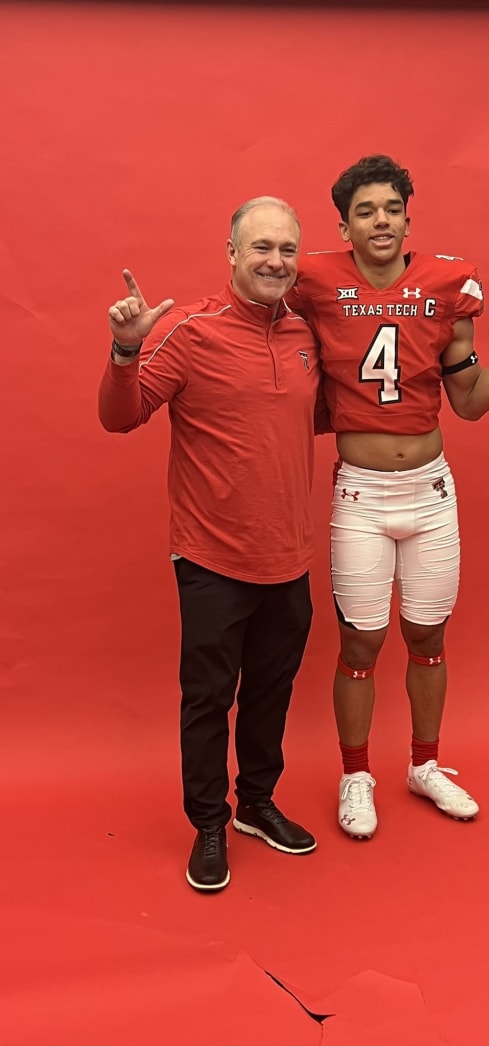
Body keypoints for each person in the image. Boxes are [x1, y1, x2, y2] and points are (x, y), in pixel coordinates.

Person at [289, 155, 489, 840]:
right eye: (365, 211)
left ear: (408, 217)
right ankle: (357, 775)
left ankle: (425, 765)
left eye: (391, 207)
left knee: (427, 634)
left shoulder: (447, 283)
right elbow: (260, 313)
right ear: (344, 226)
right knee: (360, 642)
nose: (380, 219)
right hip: (359, 492)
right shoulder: (315, 281)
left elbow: (468, 403)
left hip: (430, 491)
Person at [98, 197, 327, 891]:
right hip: (210, 558)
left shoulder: (305, 336)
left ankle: (257, 804)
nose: (275, 261)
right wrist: (126, 348)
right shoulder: (190, 331)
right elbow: (120, 416)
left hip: (289, 555)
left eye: (288, 249)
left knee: (271, 693)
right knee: (208, 700)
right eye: (261, 247)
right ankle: (209, 824)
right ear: (231, 253)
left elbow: (297, 424)